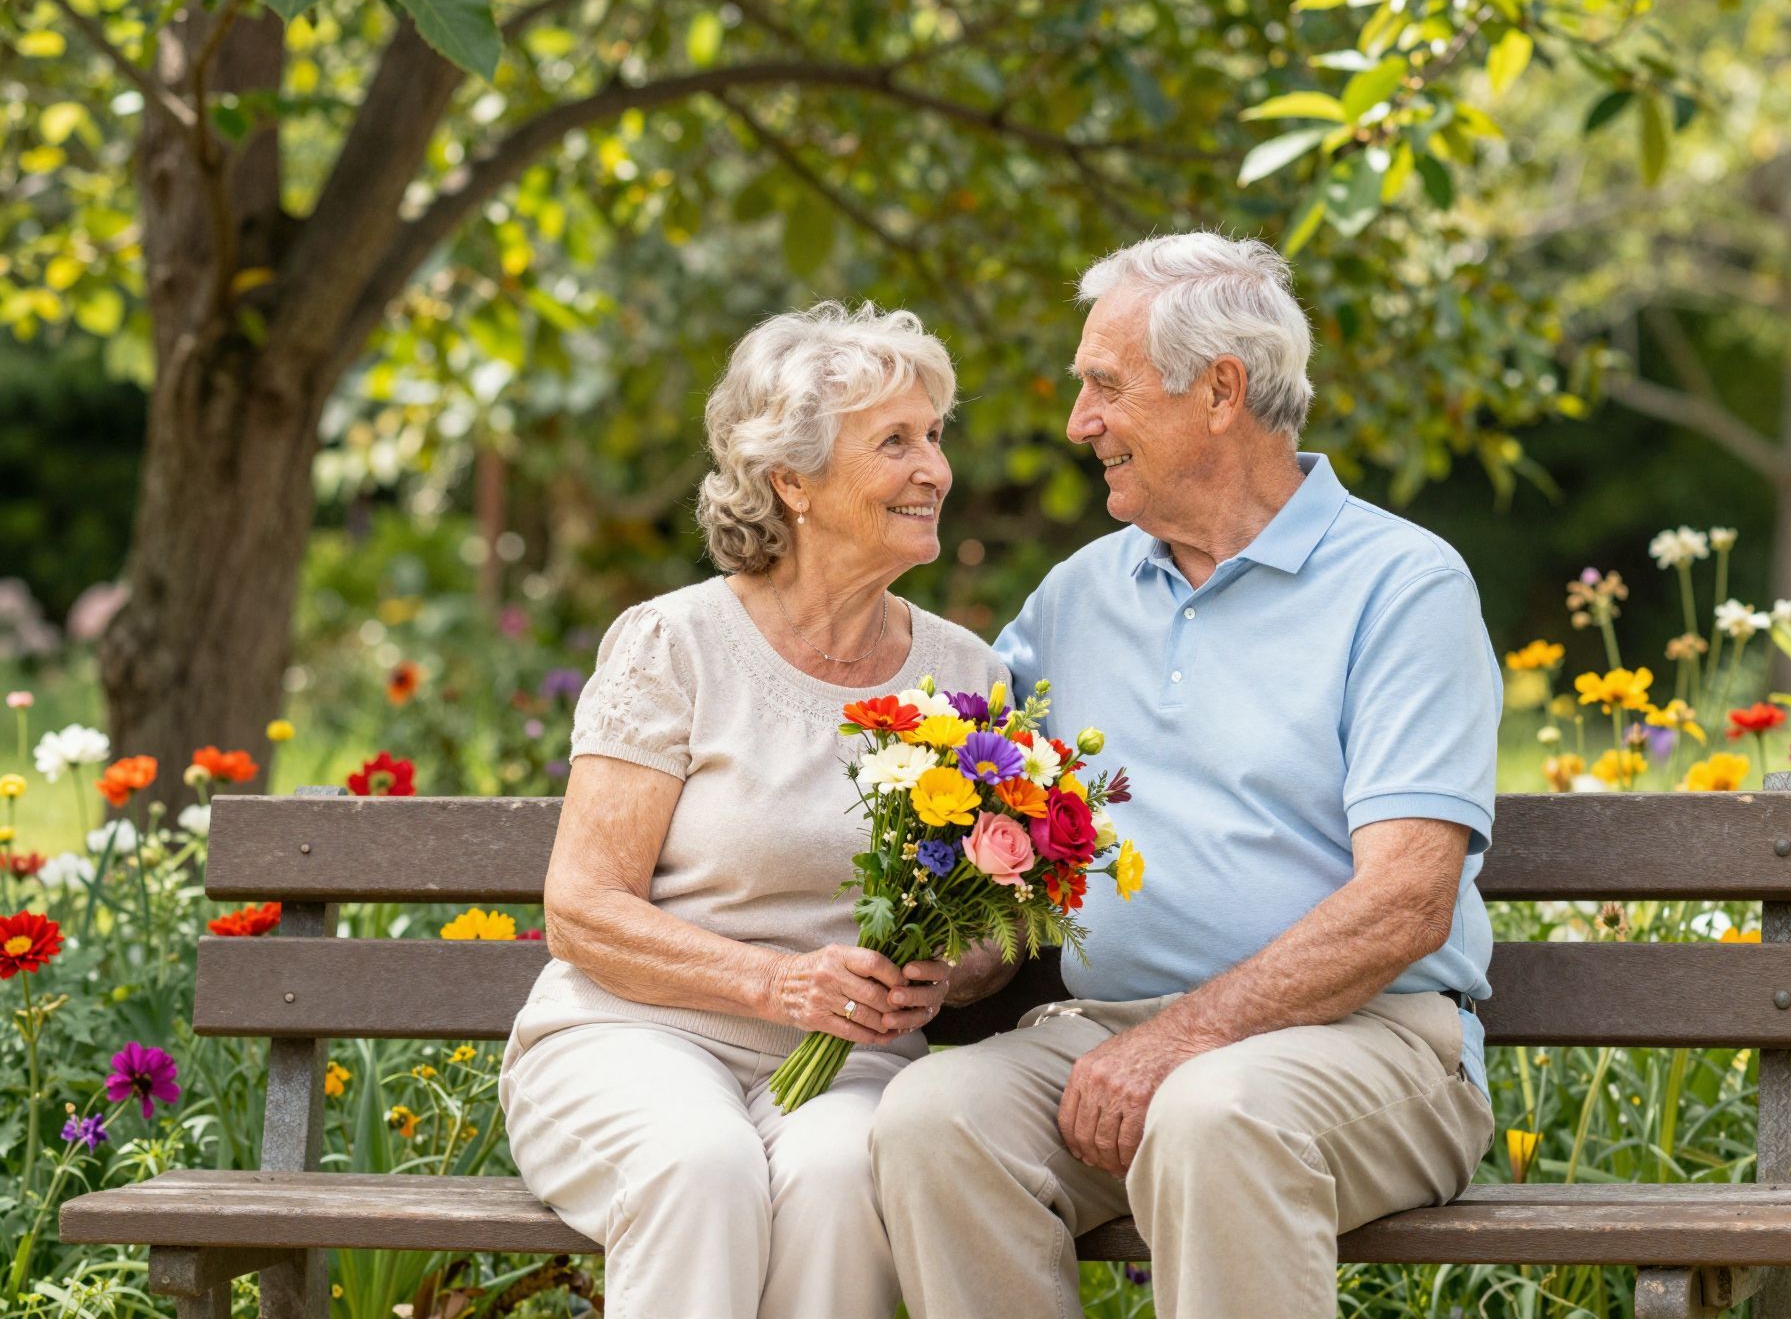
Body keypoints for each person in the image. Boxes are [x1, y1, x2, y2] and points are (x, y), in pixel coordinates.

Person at [871, 232, 1500, 1319]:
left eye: (1103, 387)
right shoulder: (1077, 599)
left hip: (1365, 1043)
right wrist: (947, 956)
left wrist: (1184, 1038)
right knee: (933, 1120)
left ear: (1219, 393)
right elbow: (996, 830)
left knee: (1211, 1114)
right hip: (1112, 1037)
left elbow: (1404, 902)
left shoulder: (1400, 585)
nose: (1079, 425)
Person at [499, 301, 1010, 1319]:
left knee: (840, 1178)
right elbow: (582, 910)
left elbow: (995, 923)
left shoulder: (965, 676)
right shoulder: (673, 644)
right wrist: (778, 984)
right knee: (700, 1163)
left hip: (851, 1070)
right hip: (634, 1043)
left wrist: (949, 970)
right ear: (793, 481)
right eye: (895, 442)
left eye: (935, 438)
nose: (934, 470)